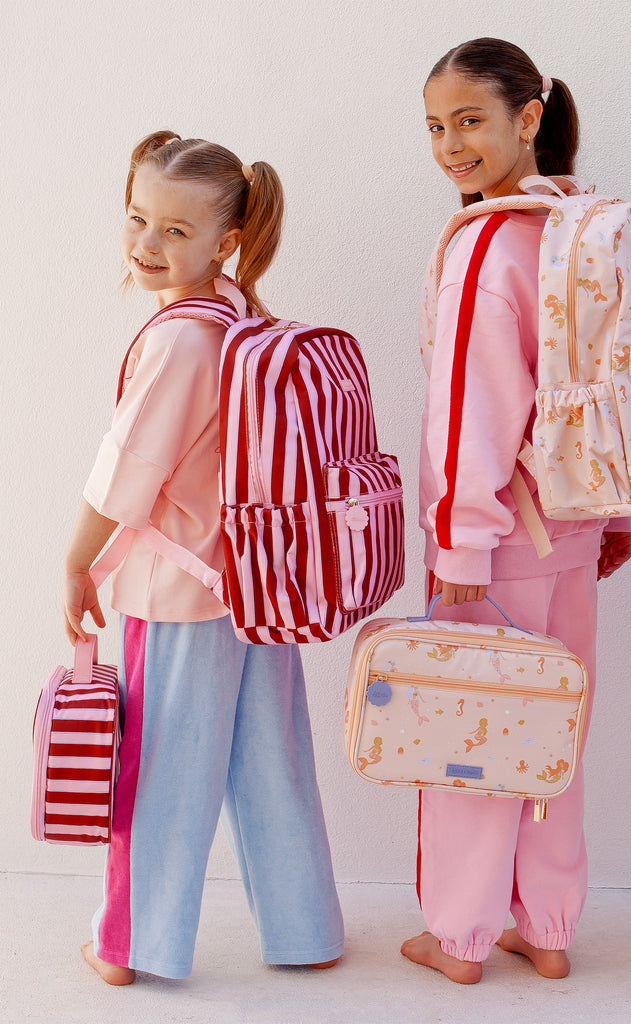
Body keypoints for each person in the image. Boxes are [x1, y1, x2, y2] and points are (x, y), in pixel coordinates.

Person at [62, 131, 345, 984]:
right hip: (260, 586)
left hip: (183, 593)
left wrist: (76, 561)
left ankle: (132, 946)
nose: (147, 244)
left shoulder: (182, 339)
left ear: (227, 241)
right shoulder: (241, 318)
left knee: (160, 773)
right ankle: (306, 932)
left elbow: (126, 474)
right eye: (138, 218)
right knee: (274, 763)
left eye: (175, 232)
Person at [402, 37, 631, 985]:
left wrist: (457, 548)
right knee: (554, 735)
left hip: (491, 543)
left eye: (470, 121)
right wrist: (615, 517)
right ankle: (546, 927)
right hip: (573, 534)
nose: (451, 145)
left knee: (466, 733)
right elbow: (617, 388)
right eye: (435, 127)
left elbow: (472, 410)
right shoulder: (583, 229)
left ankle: (457, 935)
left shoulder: (488, 243)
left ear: (528, 119)